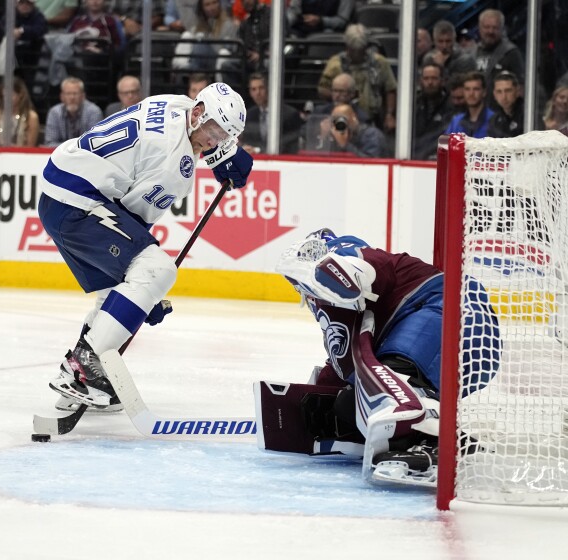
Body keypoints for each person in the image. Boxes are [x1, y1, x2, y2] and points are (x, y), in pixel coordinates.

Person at [38, 82, 253, 412]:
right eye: (212, 130)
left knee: (117, 292)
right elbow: (134, 219)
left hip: (63, 187)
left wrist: (226, 153)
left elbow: (197, 131)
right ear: (198, 114)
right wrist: (145, 297)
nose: (214, 141)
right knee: (155, 270)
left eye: (223, 136)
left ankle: (82, 381)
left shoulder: (176, 103)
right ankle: (83, 367)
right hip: (79, 202)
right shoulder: (175, 167)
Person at [269, 229, 499, 486]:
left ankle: (431, 439)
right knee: (349, 402)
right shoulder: (353, 305)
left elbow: (356, 269)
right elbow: (346, 363)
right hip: (468, 352)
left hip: (455, 312)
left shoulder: (350, 255)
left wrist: (323, 270)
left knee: (394, 379)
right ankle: (444, 436)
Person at [318, 23, 398, 132]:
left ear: (366, 47)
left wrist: (389, 115)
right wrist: (339, 94)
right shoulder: (335, 64)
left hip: (374, 119)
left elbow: (390, 89)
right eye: (353, 50)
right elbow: (322, 89)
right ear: (347, 46)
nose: (356, 54)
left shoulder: (380, 63)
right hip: (342, 118)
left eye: (359, 50)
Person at [240, 72, 302, 154]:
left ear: (269, 89)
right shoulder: (250, 115)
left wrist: (258, 150)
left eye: (261, 88)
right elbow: (248, 140)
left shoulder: (289, 114)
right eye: (253, 89)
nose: (257, 93)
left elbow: (289, 144)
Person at [474, 9, 524, 106]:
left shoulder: (511, 52)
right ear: (480, 28)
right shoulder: (473, 53)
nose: (490, 31)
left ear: (502, 29)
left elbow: (520, 86)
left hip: (501, 111)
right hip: (477, 112)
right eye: (486, 27)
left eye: (495, 28)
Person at [43, 76, 103, 146]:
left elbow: (94, 142)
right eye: (68, 94)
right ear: (62, 96)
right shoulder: (54, 113)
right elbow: (49, 143)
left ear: (83, 96)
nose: (72, 97)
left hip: (85, 155)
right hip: (61, 155)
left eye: (75, 93)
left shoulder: (94, 112)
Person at [311, 103, 386, 158]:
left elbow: (371, 164)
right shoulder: (335, 134)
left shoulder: (372, 135)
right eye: (335, 120)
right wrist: (323, 138)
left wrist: (345, 145)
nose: (339, 123)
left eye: (342, 119)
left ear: (353, 118)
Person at [412, 62, 454, 160]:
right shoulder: (414, 104)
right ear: (420, 81)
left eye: (434, 78)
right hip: (415, 157)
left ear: (442, 81)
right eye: (426, 78)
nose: (430, 82)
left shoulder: (451, 105)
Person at [0, 77, 40, 146]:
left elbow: (30, 147)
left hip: (23, 155)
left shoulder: (31, 117)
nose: (6, 99)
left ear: (21, 94)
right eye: (4, 96)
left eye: (10, 95)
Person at [444, 71, 493, 138]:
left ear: (484, 92)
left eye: (476, 89)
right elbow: (444, 146)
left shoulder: (494, 121)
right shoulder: (456, 121)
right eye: (467, 89)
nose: (471, 94)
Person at [286, 0, 354, 37]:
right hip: (301, 29)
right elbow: (293, 11)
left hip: (327, 31)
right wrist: (286, 22)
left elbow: (342, 20)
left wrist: (321, 20)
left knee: (327, 36)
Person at [488, 71, 523, 138]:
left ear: (517, 91)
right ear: (494, 94)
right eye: (499, 92)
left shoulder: (529, 115)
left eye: (508, 91)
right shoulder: (494, 121)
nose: (503, 97)